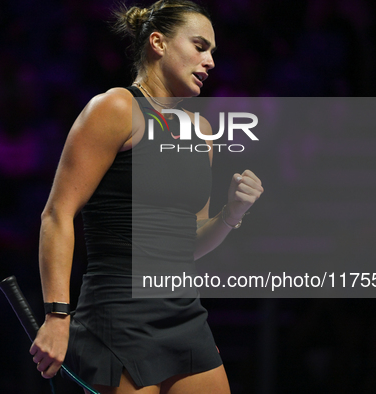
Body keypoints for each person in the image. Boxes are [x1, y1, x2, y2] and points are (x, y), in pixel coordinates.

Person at [29, 1, 264, 393]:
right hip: (117, 315)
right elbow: (57, 214)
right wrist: (57, 316)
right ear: (158, 42)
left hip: (182, 315)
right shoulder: (115, 108)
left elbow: (189, 243)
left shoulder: (201, 131)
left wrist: (231, 213)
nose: (209, 61)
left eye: (213, 52)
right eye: (200, 46)